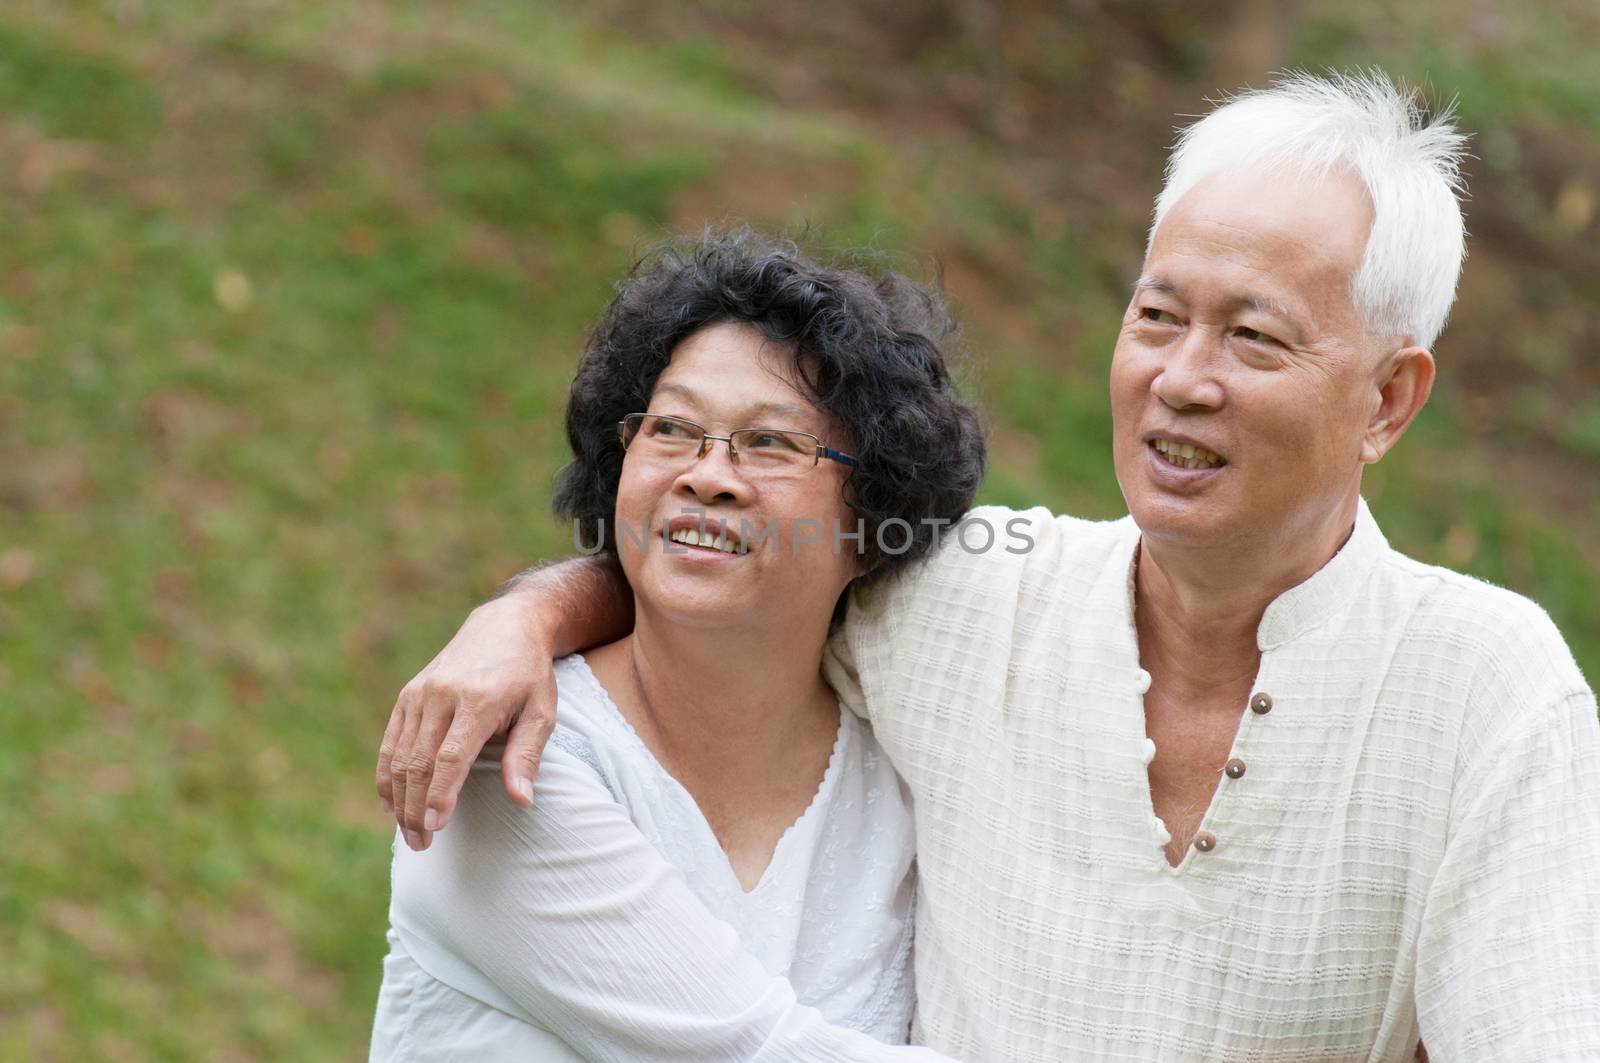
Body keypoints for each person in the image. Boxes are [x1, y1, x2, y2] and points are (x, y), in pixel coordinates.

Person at [379, 71, 1600, 1060]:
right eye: (1158, 315)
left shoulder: (1487, 692)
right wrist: (526, 619)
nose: (1182, 377)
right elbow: (738, 561)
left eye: (1254, 336)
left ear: (1387, 399)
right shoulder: (970, 597)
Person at [370, 231, 986, 1060]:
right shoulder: (509, 750)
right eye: (671, 428)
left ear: (875, 525)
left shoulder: (903, 791)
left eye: (770, 441)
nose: (708, 473)